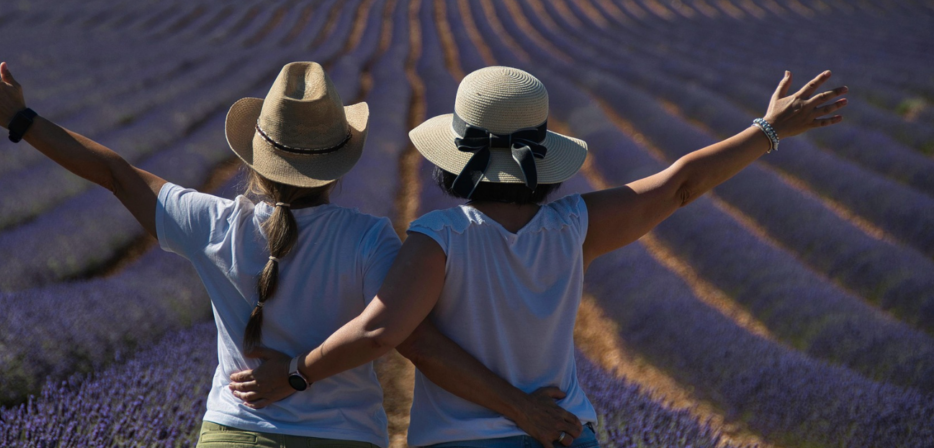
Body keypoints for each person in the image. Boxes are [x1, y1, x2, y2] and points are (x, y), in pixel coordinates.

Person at [0, 57, 583, 448]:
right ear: (339, 161)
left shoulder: (212, 223)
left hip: (234, 432)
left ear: (255, 154)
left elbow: (115, 173)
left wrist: (21, 120)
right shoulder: (370, 238)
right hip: (344, 437)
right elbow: (399, 332)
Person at [229, 66, 848, 448]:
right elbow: (679, 183)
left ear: (458, 154)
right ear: (543, 153)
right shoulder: (574, 226)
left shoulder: (439, 236)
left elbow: (384, 331)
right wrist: (767, 132)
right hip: (567, 434)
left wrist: (297, 372)